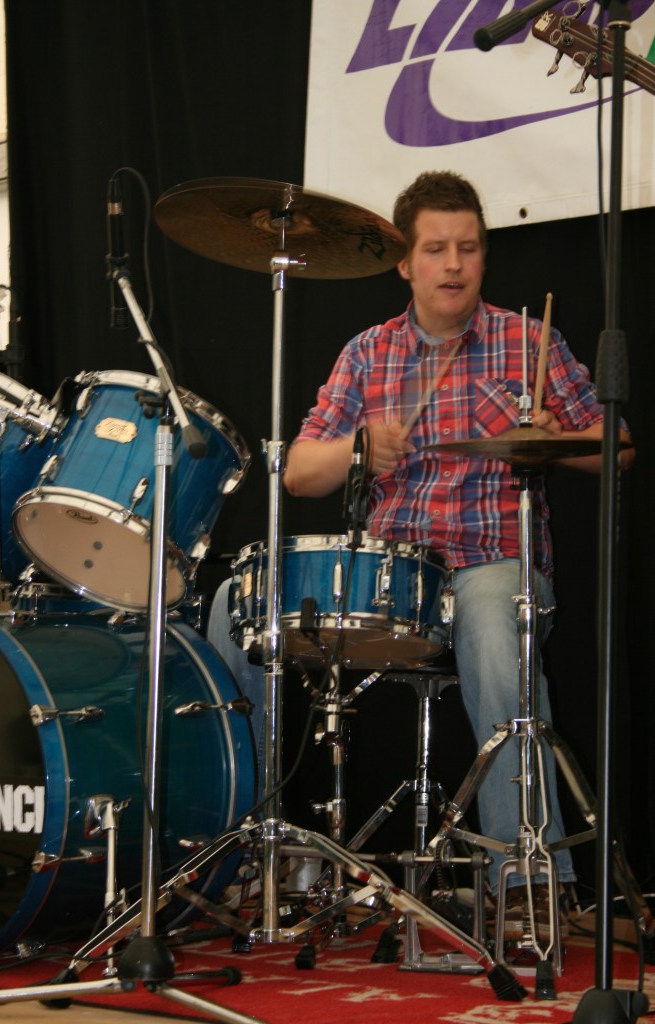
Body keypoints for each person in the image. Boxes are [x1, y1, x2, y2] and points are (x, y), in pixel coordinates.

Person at [282, 170, 633, 931]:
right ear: (404, 263)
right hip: (391, 580)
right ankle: (242, 845)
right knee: (232, 609)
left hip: (492, 563)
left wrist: (554, 437)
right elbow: (299, 473)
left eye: (467, 248)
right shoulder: (368, 352)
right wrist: (356, 445)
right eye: (436, 249)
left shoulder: (528, 342)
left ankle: (526, 876)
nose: (453, 264)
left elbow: (619, 446)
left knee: (491, 615)